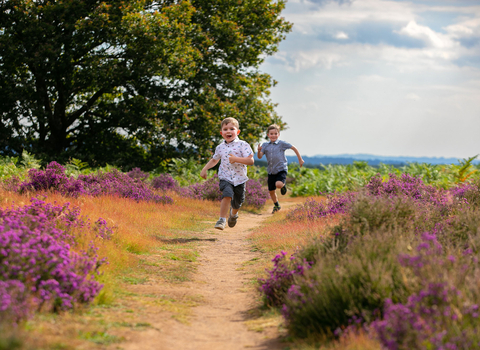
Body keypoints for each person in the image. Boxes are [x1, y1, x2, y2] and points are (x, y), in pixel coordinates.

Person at [200, 117, 254, 230]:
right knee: (227, 195)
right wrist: (204, 169)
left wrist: (236, 159)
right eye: (225, 129)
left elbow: (250, 161)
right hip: (225, 177)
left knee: (237, 203)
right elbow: (214, 160)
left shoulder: (243, 145)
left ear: (237, 132)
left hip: (240, 179)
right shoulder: (220, 147)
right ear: (221, 133)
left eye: (232, 129)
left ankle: (233, 215)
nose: (228, 131)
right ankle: (221, 220)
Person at [257, 124, 304, 213]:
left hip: (281, 169)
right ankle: (277, 205)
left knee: (278, 184)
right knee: (271, 191)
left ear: (278, 134)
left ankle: (283, 185)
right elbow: (259, 157)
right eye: (271, 134)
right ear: (268, 135)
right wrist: (259, 150)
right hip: (271, 171)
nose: (273, 135)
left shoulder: (282, 144)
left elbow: (294, 148)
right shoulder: (265, 145)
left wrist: (300, 159)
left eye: (275, 133)